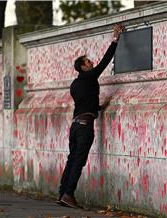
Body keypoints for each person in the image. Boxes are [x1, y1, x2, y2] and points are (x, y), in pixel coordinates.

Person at [56, 24, 125, 209]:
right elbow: (105, 60)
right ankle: (69, 194)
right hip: (85, 126)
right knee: (79, 160)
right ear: (83, 67)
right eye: (88, 62)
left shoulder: (75, 84)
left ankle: (62, 193)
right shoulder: (90, 77)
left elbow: (85, 103)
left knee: (72, 159)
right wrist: (115, 38)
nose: (92, 63)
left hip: (76, 125)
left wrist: (99, 107)